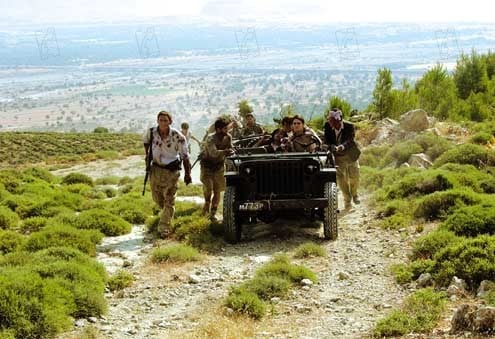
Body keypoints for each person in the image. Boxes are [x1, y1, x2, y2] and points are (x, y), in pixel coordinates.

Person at [143, 111, 192, 238]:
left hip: (171, 171)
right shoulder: (151, 132)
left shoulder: (178, 136)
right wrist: (147, 155)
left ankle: (164, 227)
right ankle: (167, 213)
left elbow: (185, 157)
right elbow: (146, 142)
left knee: (169, 199)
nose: (163, 122)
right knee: (157, 198)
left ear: (170, 121)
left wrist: (188, 174)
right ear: (157, 121)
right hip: (156, 169)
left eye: (165, 120)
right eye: (160, 120)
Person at [324, 108, 361, 210]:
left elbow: (350, 139)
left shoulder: (349, 126)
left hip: (350, 154)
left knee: (355, 176)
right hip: (338, 157)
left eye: (332, 120)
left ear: (339, 119)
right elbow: (326, 139)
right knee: (342, 180)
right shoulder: (327, 126)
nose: (330, 122)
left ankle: (355, 194)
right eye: (329, 119)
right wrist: (331, 146)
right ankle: (347, 201)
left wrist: (341, 146)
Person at [200, 118, 234, 220]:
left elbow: (231, 148)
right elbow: (213, 153)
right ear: (218, 129)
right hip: (207, 167)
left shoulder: (228, 137)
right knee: (208, 189)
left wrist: (232, 151)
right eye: (225, 128)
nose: (227, 130)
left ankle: (213, 212)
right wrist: (225, 151)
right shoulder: (210, 138)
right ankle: (206, 205)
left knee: (217, 190)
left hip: (219, 167)